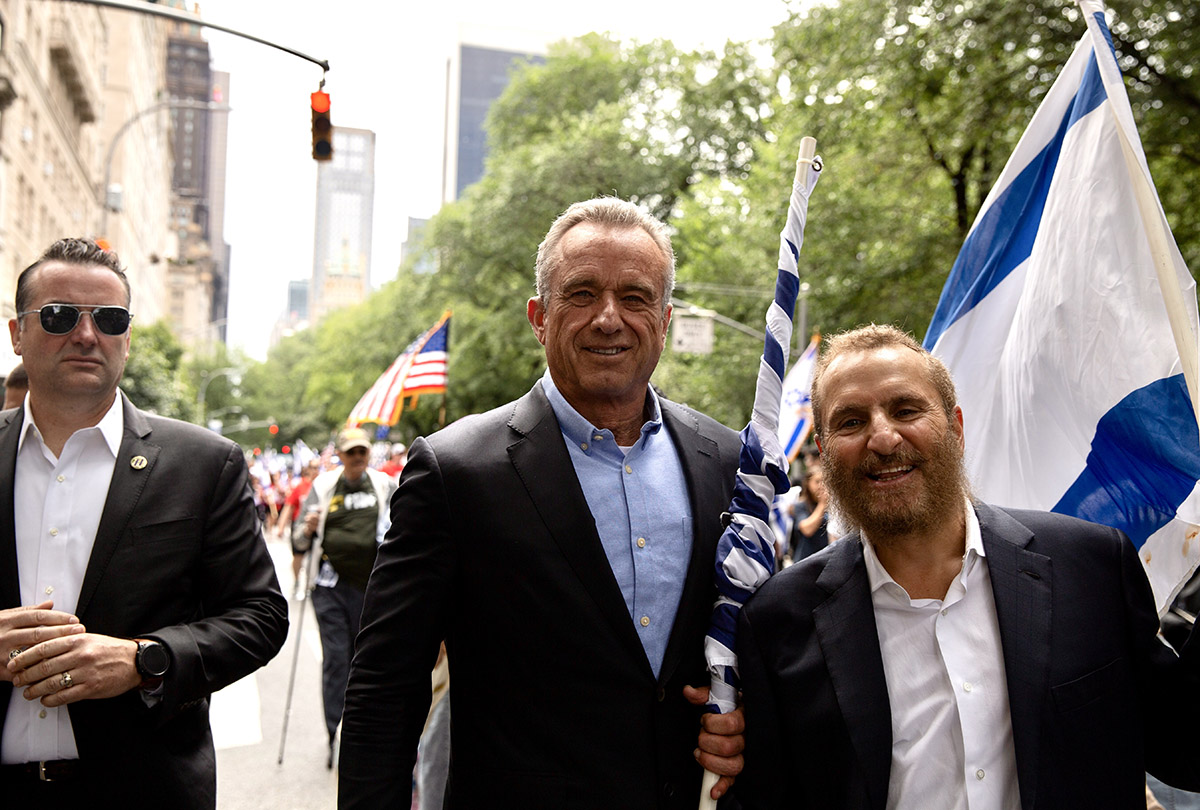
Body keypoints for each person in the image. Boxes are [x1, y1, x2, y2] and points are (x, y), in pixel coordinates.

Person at [339, 197, 746, 809]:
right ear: (539, 316)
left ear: (664, 321)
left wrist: (746, 717)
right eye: (582, 294)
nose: (609, 318)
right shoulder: (455, 470)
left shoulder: (724, 457)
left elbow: (749, 640)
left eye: (635, 298)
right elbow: (384, 689)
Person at [734, 324, 1200, 809]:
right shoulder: (777, 623)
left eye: (905, 410)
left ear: (955, 428)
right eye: (850, 422)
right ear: (827, 454)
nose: (884, 437)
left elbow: (1186, 748)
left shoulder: (1091, 566)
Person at [0, 238, 288, 804]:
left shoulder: (205, 463)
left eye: (109, 319)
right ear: (16, 333)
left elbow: (260, 615)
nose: (86, 335)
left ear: (126, 339)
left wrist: (144, 659)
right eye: (59, 316)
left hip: (143, 790)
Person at [296, 426, 396, 768]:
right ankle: (333, 731)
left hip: (371, 589)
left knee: (365, 661)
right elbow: (298, 537)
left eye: (362, 452)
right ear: (339, 454)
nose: (356, 458)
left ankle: (363, 730)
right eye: (350, 452)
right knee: (338, 658)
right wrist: (306, 529)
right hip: (329, 588)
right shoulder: (322, 486)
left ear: (369, 454)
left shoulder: (385, 485)